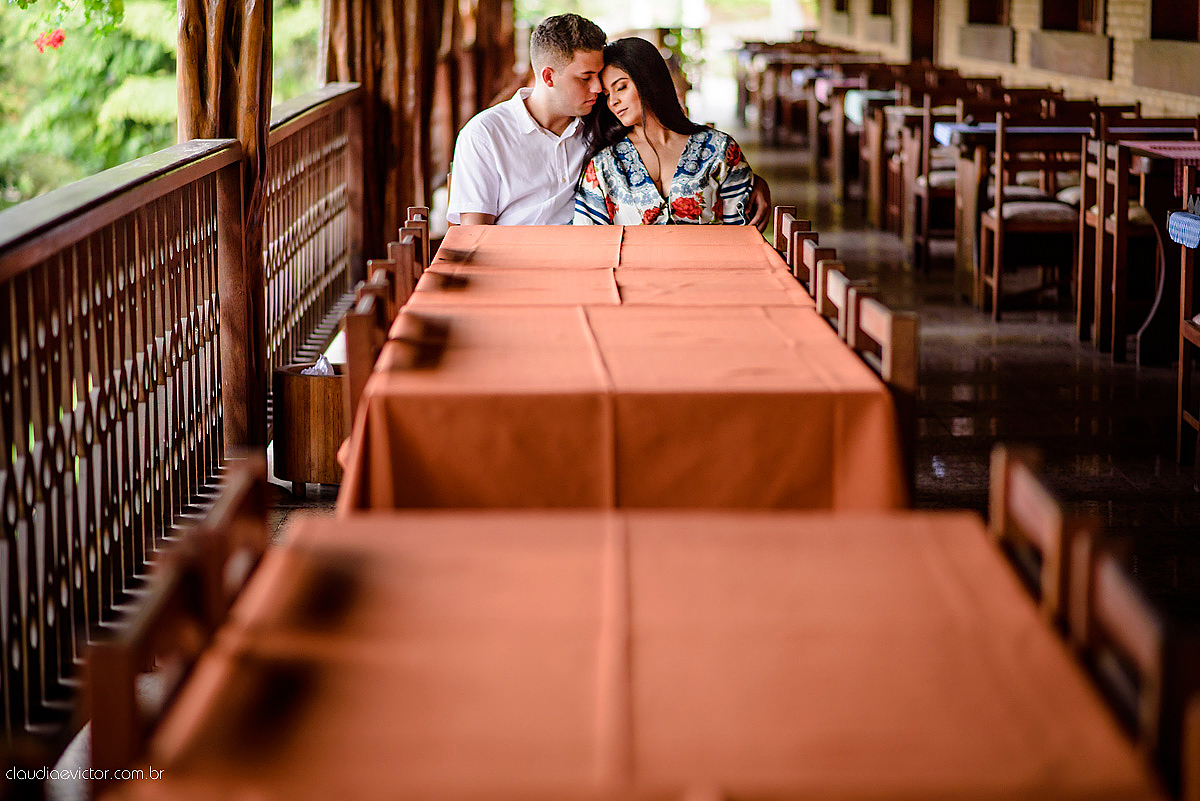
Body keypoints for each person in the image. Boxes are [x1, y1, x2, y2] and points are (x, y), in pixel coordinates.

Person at [446, 14, 770, 228]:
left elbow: (683, 148)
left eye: (603, 80)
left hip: (585, 267)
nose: (599, 90)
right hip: (516, 270)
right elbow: (475, 237)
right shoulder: (485, 135)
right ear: (548, 77)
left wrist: (754, 182)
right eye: (587, 77)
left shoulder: (595, 123)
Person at [573, 37, 753, 226]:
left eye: (621, 87)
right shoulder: (604, 164)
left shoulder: (719, 150)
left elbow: (741, 234)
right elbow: (590, 242)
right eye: (607, 95)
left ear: (648, 80)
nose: (613, 101)